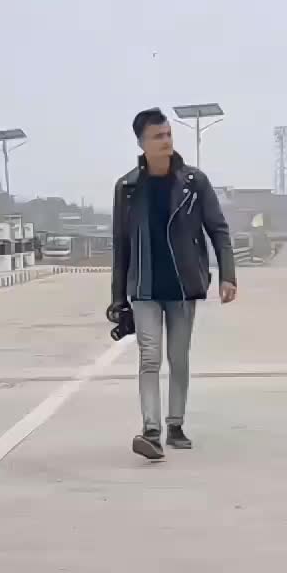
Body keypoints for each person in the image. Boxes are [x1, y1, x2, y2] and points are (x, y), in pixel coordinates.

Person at [111, 107, 237, 460]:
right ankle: (150, 431)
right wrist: (118, 298)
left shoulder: (194, 182)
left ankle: (175, 425)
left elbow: (218, 229)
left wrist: (228, 275)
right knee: (149, 357)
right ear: (142, 143)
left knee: (178, 358)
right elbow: (121, 245)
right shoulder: (127, 188)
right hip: (145, 287)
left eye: (168, 134)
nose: (166, 141)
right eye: (157, 136)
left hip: (183, 285)